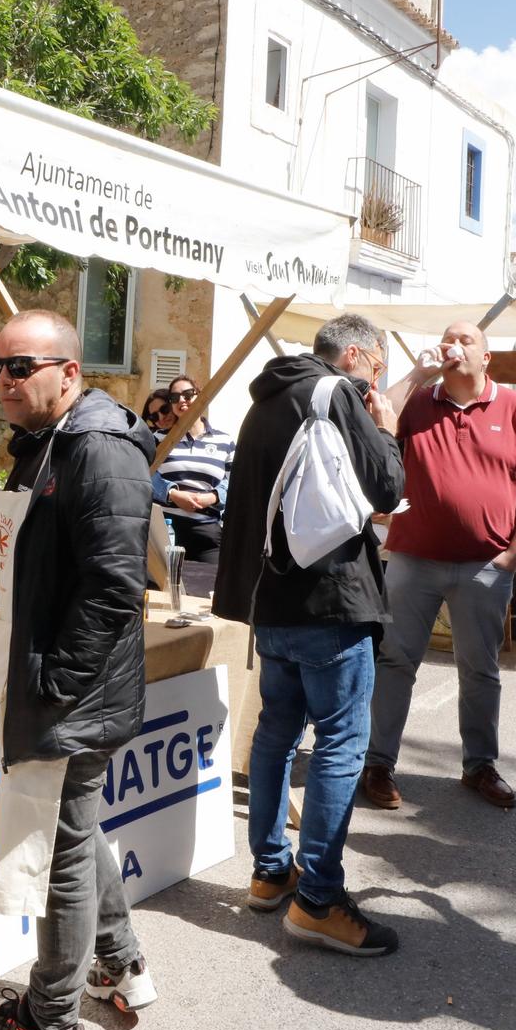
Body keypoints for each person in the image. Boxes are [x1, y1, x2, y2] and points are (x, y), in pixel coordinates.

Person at [0, 310, 156, 1030]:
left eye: (23, 367)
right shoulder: (49, 441)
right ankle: (122, 964)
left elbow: (116, 588)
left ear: (69, 372)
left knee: (64, 854)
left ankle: (50, 1020)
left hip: (75, 692)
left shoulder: (98, 448)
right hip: (59, 681)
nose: (6, 381)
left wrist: (54, 680)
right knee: (77, 831)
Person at [214, 314, 405, 957]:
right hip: (331, 599)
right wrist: (388, 426)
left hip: (272, 602)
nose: (377, 383)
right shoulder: (336, 394)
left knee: (276, 735)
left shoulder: (264, 401)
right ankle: (318, 899)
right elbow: (389, 488)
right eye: (377, 370)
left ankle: (271, 872)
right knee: (341, 746)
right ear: (355, 356)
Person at [363, 320, 516, 812]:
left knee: (480, 670)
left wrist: (514, 555)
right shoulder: (420, 402)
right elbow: (373, 421)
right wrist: (417, 371)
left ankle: (479, 766)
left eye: (466, 339)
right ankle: (378, 763)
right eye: (448, 338)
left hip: (484, 565)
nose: (453, 345)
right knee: (395, 662)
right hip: (412, 558)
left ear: (486, 357)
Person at [150, 374, 234, 564]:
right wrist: (172, 493)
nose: (181, 400)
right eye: (174, 397)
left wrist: (212, 497)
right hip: (166, 528)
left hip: (206, 530)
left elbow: (237, 482)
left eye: (188, 394)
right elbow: (144, 474)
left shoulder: (224, 441)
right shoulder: (158, 438)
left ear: (199, 395)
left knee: (208, 590)